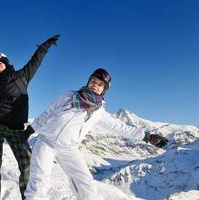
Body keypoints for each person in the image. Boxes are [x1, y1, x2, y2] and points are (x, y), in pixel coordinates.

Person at [21, 68, 169, 200]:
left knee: (86, 183)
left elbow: (120, 127)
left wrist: (146, 136)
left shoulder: (99, 112)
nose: (95, 85)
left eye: (100, 84)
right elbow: (48, 113)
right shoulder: (69, 95)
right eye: (93, 81)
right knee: (39, 180)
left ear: (103, 90)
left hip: (69, 148)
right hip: (46, 141)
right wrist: (31, 129)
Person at [0, 35, 60, 200]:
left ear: (6, 63)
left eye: (0, 64)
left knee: (27, 165)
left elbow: (35, 61)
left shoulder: (22, 76)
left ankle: (29, 197)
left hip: (16, 128)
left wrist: (44, 46)